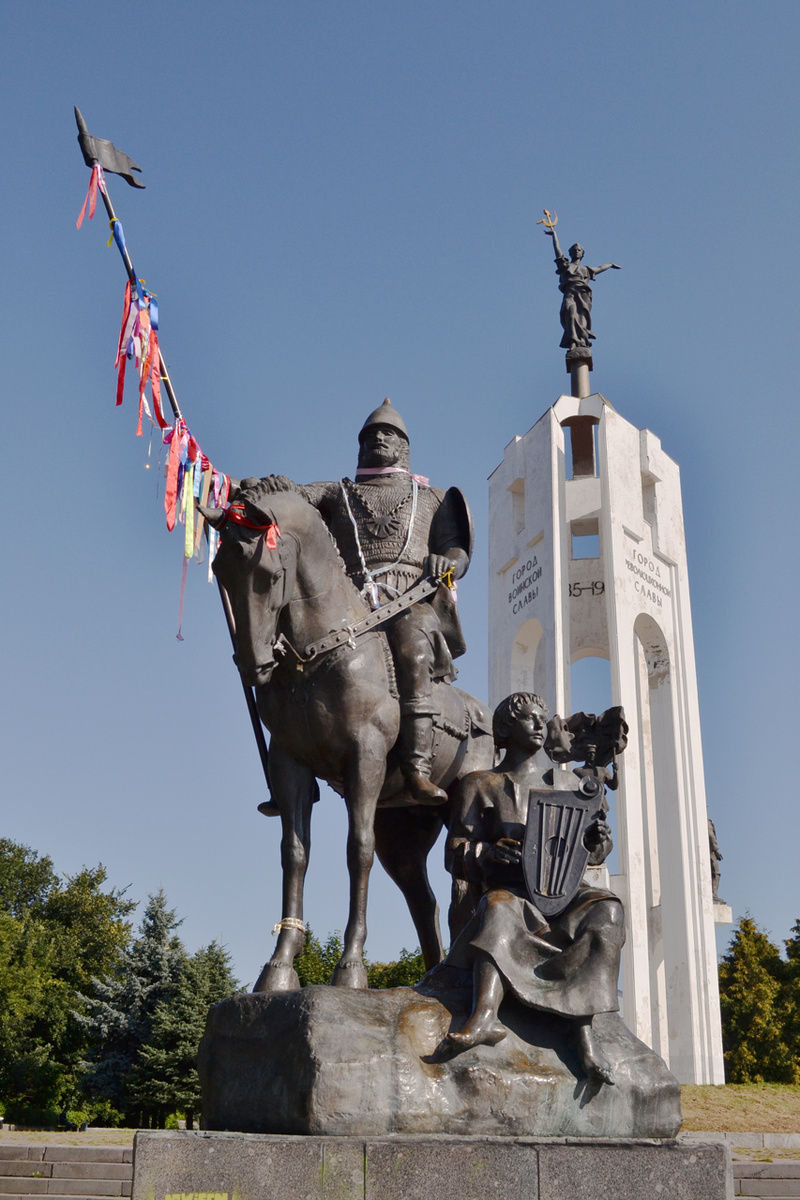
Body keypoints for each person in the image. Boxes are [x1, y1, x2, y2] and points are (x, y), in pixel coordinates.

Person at [440, 692, 625, 1084]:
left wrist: (597, 841)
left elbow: (594, 855)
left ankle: (583, 1033)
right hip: (509, 894)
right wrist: (486, 854)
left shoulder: (570, 785)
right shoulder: (481, 784)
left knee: (608, 909)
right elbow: (454, 853)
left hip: (561, 898)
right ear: (505, 730)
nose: (541, 725)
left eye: (542, 718)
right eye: (529, 719)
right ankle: (484, 1014)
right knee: (499, 906)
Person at [297, 399, 473, 805]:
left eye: (388, 433)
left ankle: (417, 766)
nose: (378, 437)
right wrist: (263, 487)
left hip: (412, 600)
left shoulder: (433, 497)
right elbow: (293, 498)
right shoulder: (335, 492)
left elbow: (459, 552)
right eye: (371, 434)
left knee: (412, 645)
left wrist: (447, 562)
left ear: (404, 447)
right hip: (350, 605)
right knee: (288, 653)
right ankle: (294, 776)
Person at [543, 225, 620, 350]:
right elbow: (557, 252)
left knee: (582, 316)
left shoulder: (586, 269)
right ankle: (572, 339)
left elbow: (600, 268)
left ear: (582, 253)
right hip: (570, 292)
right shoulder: (565, 265)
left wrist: (610, 264)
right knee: (569, 311)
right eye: (574, 250)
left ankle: (581, 340)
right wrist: (554, 236)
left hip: (583, 294)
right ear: (570, 253)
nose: (576, 252)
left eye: (579, 250)